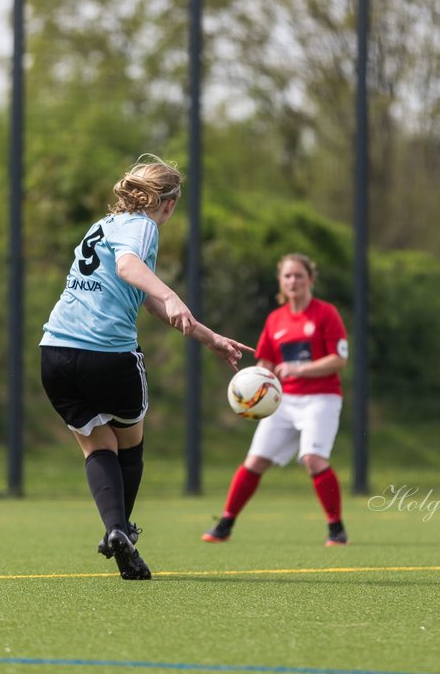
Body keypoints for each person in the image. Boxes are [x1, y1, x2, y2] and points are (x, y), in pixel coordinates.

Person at [40, 154, 253, 580]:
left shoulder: (102, 226)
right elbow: (129, 268)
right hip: (108, 357)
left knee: (97, 447)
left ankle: (118, 531)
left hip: (55, 353)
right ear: (169, 203)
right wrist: (173, 294)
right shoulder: (143, 226)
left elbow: (145, 298)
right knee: (129, 446)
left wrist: (209, 338)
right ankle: (119, 529)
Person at [202, 253, 350, 546]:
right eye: (287, 276)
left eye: (299, 275)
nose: (293, 281)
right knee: (254, 461)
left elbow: (339, 359)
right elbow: (265, 367)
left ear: (310, 279)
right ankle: (226, 524)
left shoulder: (325, 313)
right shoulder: (275, 319)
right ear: (280, 281)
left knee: (312, 459)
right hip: (284, 402)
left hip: (321, 398)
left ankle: (336, 528)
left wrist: (300, 368)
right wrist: (246, 392)